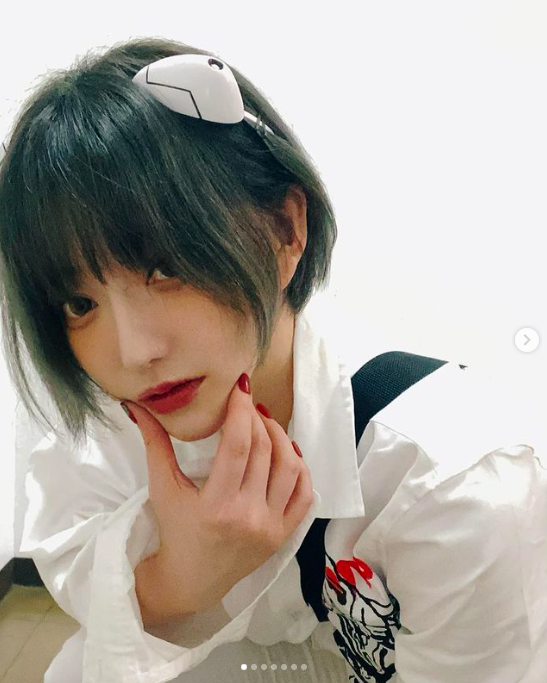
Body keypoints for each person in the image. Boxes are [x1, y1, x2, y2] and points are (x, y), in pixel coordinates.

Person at [0, 36, 545, 683]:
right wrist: (182, 576)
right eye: (79, 303)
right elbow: (89, 597)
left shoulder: (451, 485)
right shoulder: (106, 431)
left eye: (165, 266)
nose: (134, 351)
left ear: (285, 230)